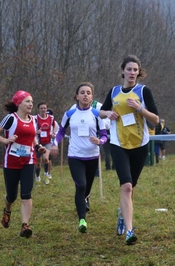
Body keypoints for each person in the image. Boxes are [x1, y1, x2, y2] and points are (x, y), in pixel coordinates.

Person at [100, 55, 159, 245]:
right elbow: (101, 111)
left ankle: (121, 214)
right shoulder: (114, 91)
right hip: (118, 143)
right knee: (125, 186)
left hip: (140, 144)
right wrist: (107, 113)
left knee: (131, 187)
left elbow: (156, 120)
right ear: (123, 70)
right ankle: (129, 230)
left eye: (135, 70)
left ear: (138, 72)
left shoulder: (143, 91)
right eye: (129, 69)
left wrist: (140, 109)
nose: (132, 73)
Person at [51, 82, 108, 233]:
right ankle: (82, 219)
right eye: (82, 92)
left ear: (92, 97)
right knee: (81, 186)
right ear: (77, 96)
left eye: (88, 93)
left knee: (87, 188)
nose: (85, 95)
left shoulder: (97, 114)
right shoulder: (69, 114)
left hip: (92, 156)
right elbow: (61, 131)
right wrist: (55, 143)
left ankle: (86, 198)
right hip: (75, 155)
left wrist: (100, 141)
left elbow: (104, 135)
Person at [0, 90, 48, 238]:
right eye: (27, 101)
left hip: (28, 160)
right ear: (19, 104)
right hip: (11, 161)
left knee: (26, 194)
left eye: (32, 102)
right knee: (12, 195)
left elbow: (33, 137)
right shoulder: (10, 118)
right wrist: (6, 141)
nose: (31, 104)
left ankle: (25, 225)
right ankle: (7, 211)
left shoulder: (33, 120)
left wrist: (37, 147)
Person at [34, 102, 57, 185]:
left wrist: (53, 133)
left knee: (46, 159)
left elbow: (55, 125)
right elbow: (31, 129)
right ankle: (37, 177)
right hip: (38, 142)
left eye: (44, 108)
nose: (43, 110)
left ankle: (46, 175)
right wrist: (36, 132)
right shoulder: (35, 118)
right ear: (38, 109)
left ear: (47, 109)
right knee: (38, 163)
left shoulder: (51, 118)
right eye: (41, 108)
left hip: (47, 142)